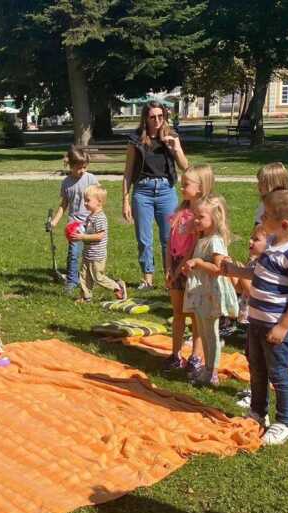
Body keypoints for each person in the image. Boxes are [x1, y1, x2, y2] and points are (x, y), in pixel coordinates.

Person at [223, 190, 288, 446]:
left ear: (284, 224)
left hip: (276, 325)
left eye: (266, 215)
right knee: (257, 368)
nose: (261, 218)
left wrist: (284, 326)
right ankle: (257, 413)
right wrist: (235, 270)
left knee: (278, 373)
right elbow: (259, 274)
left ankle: (285, 423)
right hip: (257, 321)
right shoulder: (273, 244)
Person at [122, 100, 190, 290]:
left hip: (166, 191)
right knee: (144, 239)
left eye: (161, 116)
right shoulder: (135, 139)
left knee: (169, 238)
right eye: (153, 117)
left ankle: (171, 277)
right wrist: (125, 200)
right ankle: (148, 278)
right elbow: (128, 172)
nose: (157, 120)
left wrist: (175, 148)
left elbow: (186, 168)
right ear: (145, 118)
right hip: (142, 191)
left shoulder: (171, 136)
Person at [181, 196, 238, 387]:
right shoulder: (203, 238)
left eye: (200, 216)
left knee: (211, 332)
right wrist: (191, 267)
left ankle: (212, 371)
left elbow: (218, 268)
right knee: (204, 332)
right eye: (195, 216)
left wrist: (198, 263)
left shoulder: (215, 241)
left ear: (215, 218)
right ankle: (206, 369)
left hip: (210, 293)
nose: (195, 220)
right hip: (200, 291)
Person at [163, 165, 213, 377]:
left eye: (186, 184)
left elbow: (194, 244)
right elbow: (169, 241)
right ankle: (175, 354)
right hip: (175, 265)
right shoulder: (179, 212)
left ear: (201, 188)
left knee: (195, 315)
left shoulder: (201, 215)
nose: (181, 187)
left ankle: (196, 356)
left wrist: (181, 267)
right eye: (181, 183)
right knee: (178, 313)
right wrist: (169, 267)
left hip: (191, 268)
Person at [49, 146, 100, 296]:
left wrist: (98, 216)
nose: (82, 170)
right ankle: (72, 281)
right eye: (79, 168)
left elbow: (99, 198)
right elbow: (63, 205)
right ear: (71, 165)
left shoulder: (91, 179)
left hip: (90, 223)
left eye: (85, 167)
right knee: (73, 253)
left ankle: (92, 278)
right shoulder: (66, 183)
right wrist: (54, 222)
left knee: (91, 253)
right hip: (74, 224)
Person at [70, 185, 125, 303]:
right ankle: (86, 297)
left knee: (98, 277)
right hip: (88, 253)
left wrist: (83, 236)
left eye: (88, 200)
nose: (85, 203)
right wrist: (77, 232)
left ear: (99, 202)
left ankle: (117, 287)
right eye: (84, 200)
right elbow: (86, 231)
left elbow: (100, 236)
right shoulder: (90, 216)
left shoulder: (100, 218)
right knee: (84, 276)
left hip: (97, 255)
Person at [253, 162, 288, 229]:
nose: (258, 185)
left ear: (273, 184)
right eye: (259, 181)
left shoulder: (284, 207)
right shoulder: (264, 204)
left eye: (262, 182)